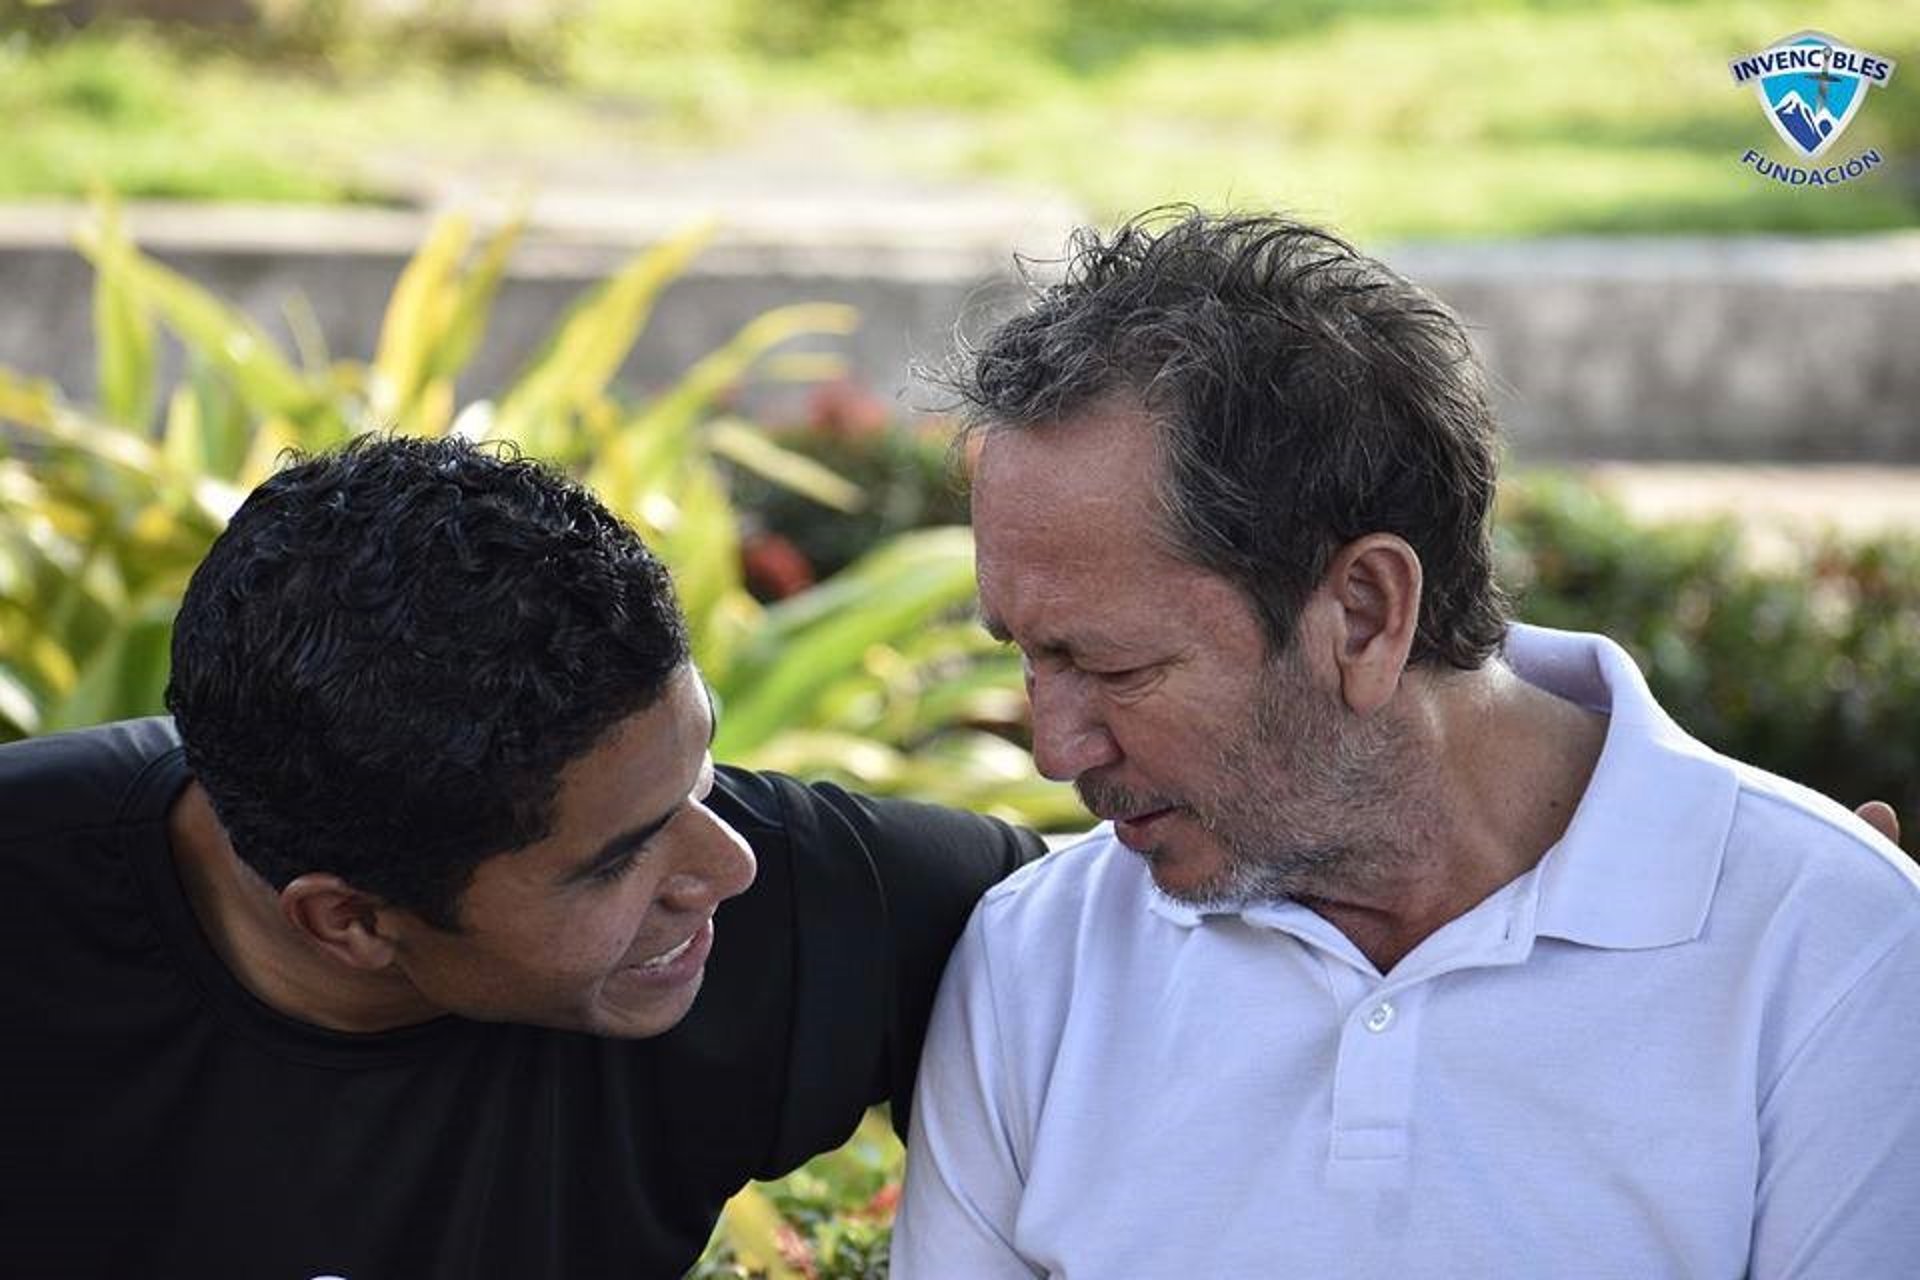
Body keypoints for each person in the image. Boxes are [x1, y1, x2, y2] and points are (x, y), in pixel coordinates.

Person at [892, 211, 1920, 1277]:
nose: (1054, 751)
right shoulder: (1033, 961)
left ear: (1368, 613)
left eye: (1113, 668)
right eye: (1025, 654)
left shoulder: (1835, 949)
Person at [0, 436, 1042, 1278]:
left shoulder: (801, 909)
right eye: (617, 858)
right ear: (350, 919)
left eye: (699, 769)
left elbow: (1136, 946)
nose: (726, 864)